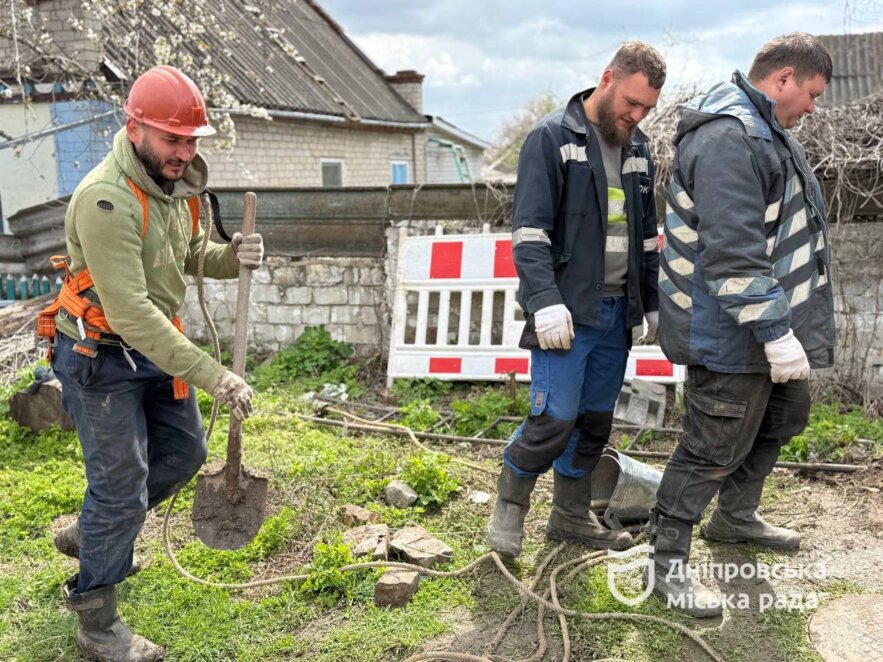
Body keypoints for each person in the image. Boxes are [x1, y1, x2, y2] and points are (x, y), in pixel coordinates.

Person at [41, 65, 263, 661]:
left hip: (155, 353)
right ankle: (98, 628)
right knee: (119, 489)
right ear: (133, 126)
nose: (184, 152)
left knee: (184, 455)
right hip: (101, 356)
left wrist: (232, 255)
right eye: (172, 139)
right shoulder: (107, 198)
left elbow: (190, 254)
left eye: (192, 140)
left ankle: (91, 536)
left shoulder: (179, 185)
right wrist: (214, 375)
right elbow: (133, 312)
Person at [648, 33, 834, 617]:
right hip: (728, 330)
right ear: (782, 79)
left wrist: (784, 331)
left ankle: (733, 517)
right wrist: (777, 334)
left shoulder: (763, 128)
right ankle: (665, 562)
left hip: (765, 324)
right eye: (810, 94)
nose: (812, 108)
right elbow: (731, 257)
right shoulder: (730, 136)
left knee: (783, 417)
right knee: (712, 445)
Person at [487, 41, 666, 559]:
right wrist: (543, 301)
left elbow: (645, 235)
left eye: (646, 109)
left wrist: (648, 303)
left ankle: (568, 519)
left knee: (593, 421)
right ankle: (507, 513)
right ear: (607, 79)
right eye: (631, 102)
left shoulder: (639, 150)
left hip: (615, 314)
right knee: (553, 419)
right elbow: (529, 233)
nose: (636, 116)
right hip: (566, 314)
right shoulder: (552, 138)